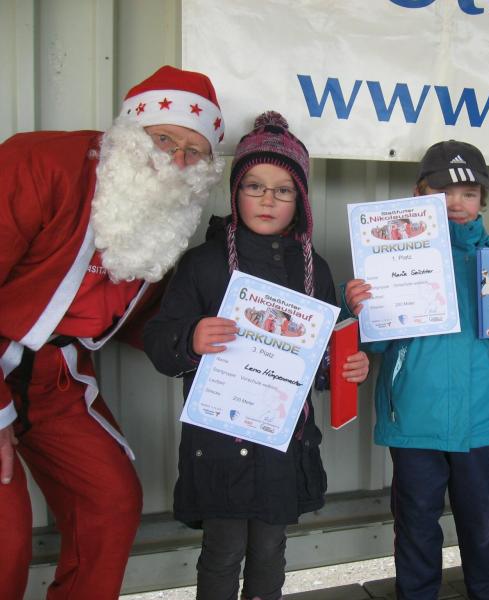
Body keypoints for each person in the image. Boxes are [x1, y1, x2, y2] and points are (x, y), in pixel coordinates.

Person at [0, 65, 226, 600]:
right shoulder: (38, 163)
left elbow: (140, 319)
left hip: (56, 378)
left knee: (109, 502)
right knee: (6, 540)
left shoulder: (167, 213)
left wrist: (224, 344)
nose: (176, 161)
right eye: (164, 139)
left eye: (193, 152)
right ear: (129, 131)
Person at [143, 111, 370, 600]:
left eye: (283, 190)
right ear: (235, 193)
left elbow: (324, 360)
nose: (268, 199)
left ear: (300, 200)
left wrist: (347, 367)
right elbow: (158, 342)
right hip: (219, 444)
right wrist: (191, 337)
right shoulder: (202, 265)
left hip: (283, 445)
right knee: (223, 552)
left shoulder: (314, 268)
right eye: (254, 186)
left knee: (270, 550)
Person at [344, 140, 489, 600]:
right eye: (443, 192)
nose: (456, 203)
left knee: (481, 526)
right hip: (413, 422)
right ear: (418, 194)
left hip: (476, 423)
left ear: (482, 200)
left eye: (469, 193)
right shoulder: (387, 258)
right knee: (416, 527)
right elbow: (376, 343)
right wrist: (360, 307)